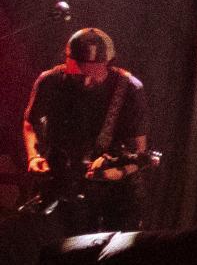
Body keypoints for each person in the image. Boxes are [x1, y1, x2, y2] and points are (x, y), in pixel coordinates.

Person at [20, 27, 151, 234]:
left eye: (93, 72)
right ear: (68, 60)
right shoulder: (50, 81)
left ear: (107, 64)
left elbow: (139, 151)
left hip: (114, 196)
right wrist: (33, 157)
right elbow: (31, 123)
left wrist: (116, 172)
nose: (85, 79)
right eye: (78, 70)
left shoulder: (128, 89)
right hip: (63, 184)